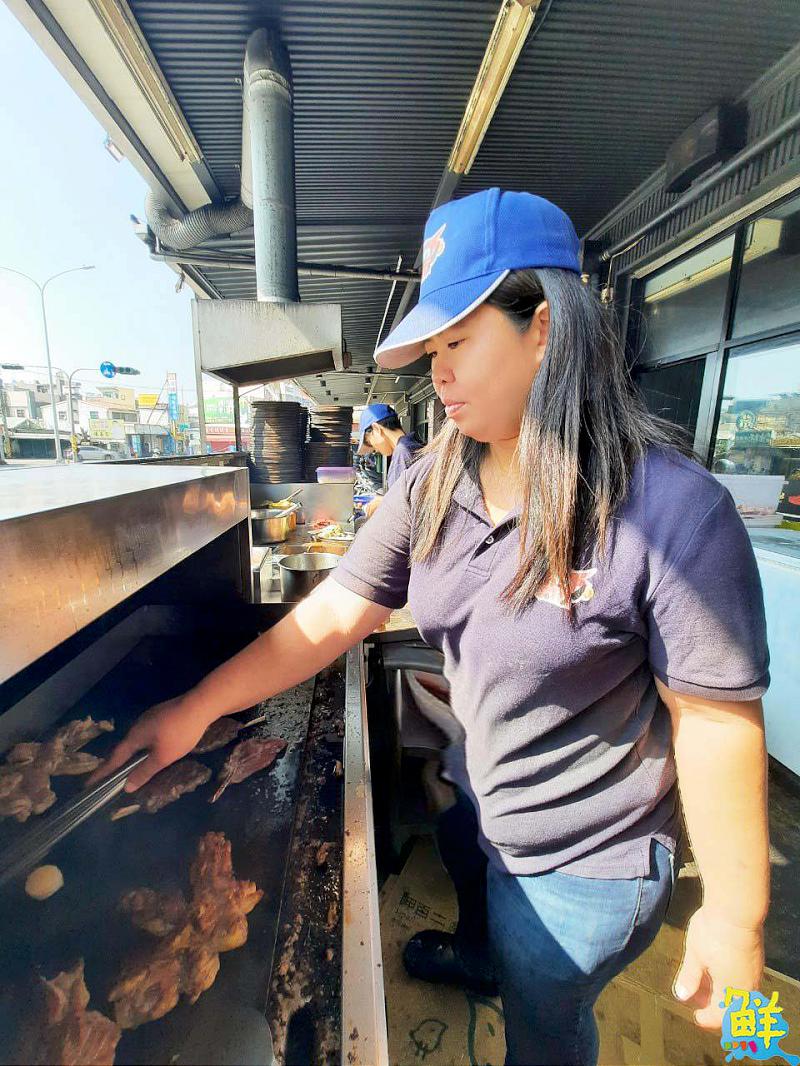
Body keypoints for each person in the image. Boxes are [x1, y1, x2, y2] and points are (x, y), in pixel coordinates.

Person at [94, 188, 770, 1066]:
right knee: (471, 868)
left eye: (459, 341)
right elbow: (336, 613)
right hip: (487, 793)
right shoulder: (431, 484)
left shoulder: (670, 514)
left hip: (582, 865)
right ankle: (485, 956)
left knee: (546, 1026)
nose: (437, 371)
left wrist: (736, 916)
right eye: (432, 348)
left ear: (546, 331)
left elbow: (716, 722)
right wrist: (196, 707)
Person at [356, 403, 422, 517]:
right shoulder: (412, 444)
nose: (373, 449)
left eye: (368, 442)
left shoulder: (403, 452)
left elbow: (403, 510)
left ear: (376, 429)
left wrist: (383, 503)